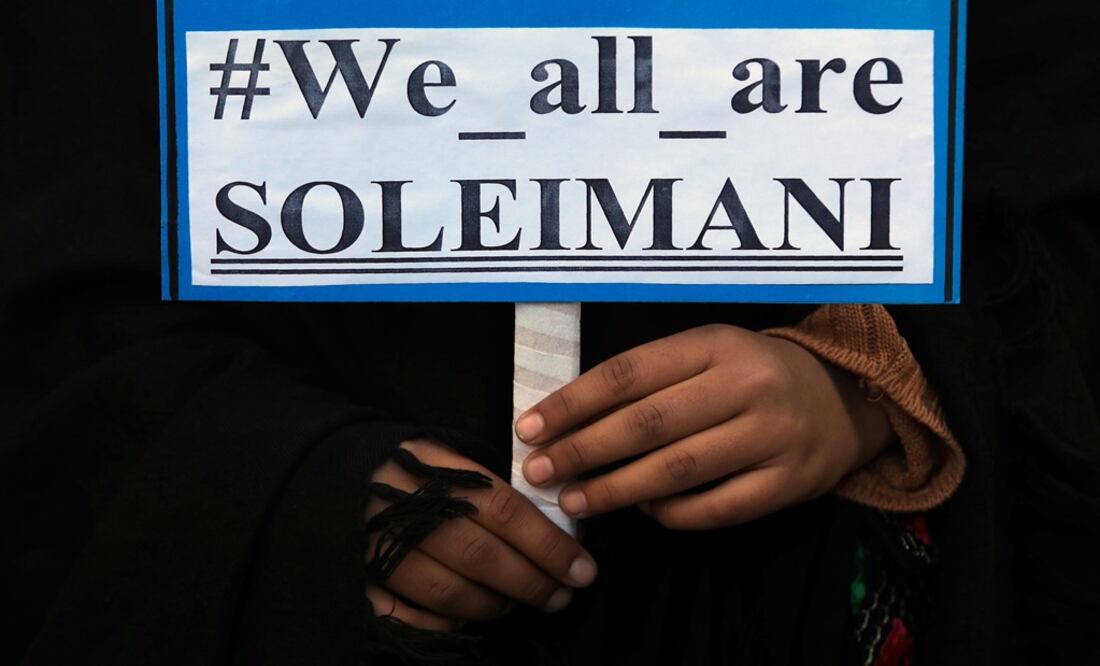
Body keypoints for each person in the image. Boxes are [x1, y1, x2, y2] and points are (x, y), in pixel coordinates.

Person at [2, 1, 1098, 664]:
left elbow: (1050, 166)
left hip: (784, 597)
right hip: (311, 612)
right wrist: (285, 492)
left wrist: (865, 381)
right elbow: (51, 257)